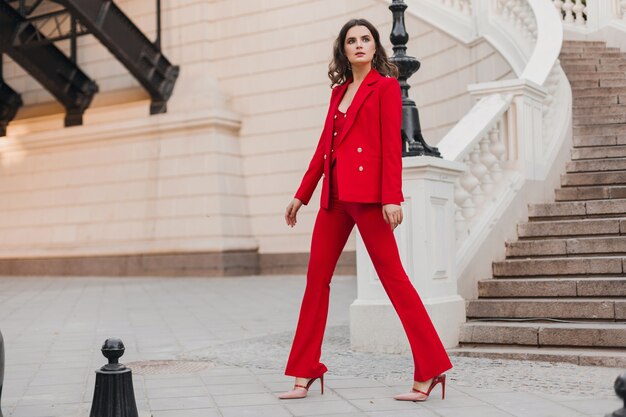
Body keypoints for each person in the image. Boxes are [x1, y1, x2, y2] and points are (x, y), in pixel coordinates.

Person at [277, 18, 452, 402]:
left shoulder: (386, 87)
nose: (359, 45)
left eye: (365, 39)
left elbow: (392, 145)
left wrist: (392, 196)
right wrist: (302, 194)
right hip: (334, 199)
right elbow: (324, 147)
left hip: (370, 199)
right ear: (343, 49)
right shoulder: (337, 91)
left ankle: (431, 367)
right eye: (351, 40)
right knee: (315, 283)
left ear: (375, 48)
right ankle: (304, 371)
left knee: (395, 280)